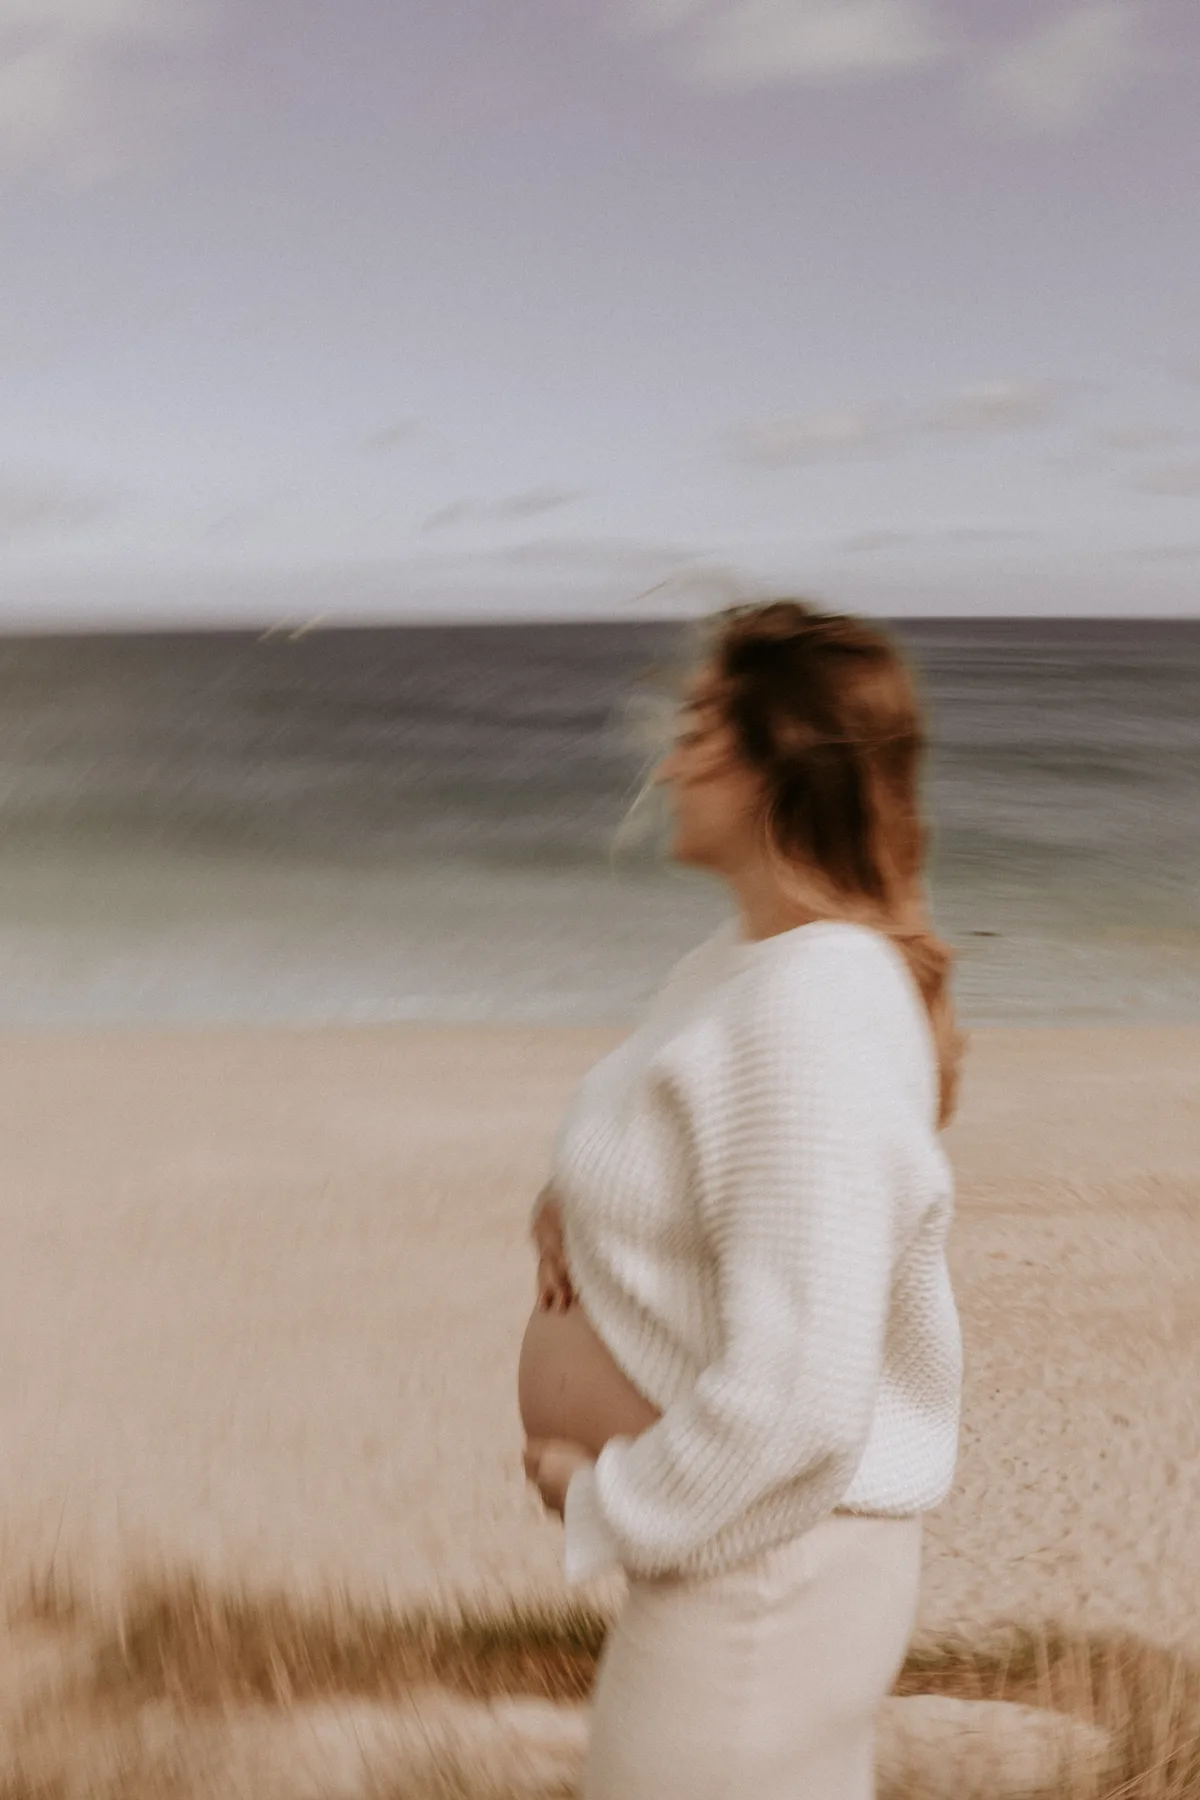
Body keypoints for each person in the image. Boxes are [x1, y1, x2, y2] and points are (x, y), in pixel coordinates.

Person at [518, 598, 965, 1800]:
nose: (668, 759)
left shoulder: (815, 1003)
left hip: (766, 1580)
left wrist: (606, 1502)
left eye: (702, 727)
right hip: (752, 1565)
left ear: (784, 756)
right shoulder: (736, 970)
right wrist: (572, 1205)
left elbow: (803, 1396)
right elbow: (703, 1155)